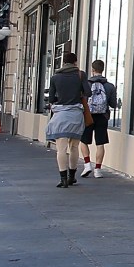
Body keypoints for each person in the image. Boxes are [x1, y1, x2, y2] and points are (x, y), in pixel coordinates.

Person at [46, 52, 90, 188]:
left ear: (63, 63)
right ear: (75, 62)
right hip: (76, 114)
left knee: (61, 149)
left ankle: (63, 179)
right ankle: (72, 177)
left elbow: (51, 98)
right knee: (74, 147)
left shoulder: (55, 77)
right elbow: (88, 92)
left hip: (60, 115)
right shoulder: (80, 75)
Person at [78, 60, 118, 177]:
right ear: (103, 69)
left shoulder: (87, 85)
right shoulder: (110, 86)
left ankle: (87, 165)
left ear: (92, 69)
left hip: (88, 116)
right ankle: (98, 170)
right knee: (100, 143)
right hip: (102, 116)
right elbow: (113, 104)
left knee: (83, 141)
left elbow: (81, 99)